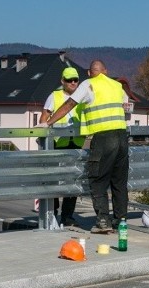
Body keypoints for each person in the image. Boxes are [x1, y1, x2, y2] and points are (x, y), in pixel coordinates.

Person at [40, 60, 129, 234]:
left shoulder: (88, 85)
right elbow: (126, 106)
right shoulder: (116, 85)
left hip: (103, 138)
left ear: (89, 73)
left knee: (98, 180)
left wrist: (49, 123)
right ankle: (120, 222)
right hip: (122, 136)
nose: (73, 82)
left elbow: (69, 105)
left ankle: (103, 221)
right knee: (119, 182)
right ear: (105, 71)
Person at [39, 66, 86, 227]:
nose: (73, 83)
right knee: (54, 179)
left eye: (75, 80)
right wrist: (42, 136)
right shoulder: (55, 96)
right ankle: (53, 213)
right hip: (58, 143)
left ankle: (67, 216)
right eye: (69, 80)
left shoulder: (82, 97)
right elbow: (44, 117)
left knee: (73, 180)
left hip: (76, 143)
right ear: (62, 81)